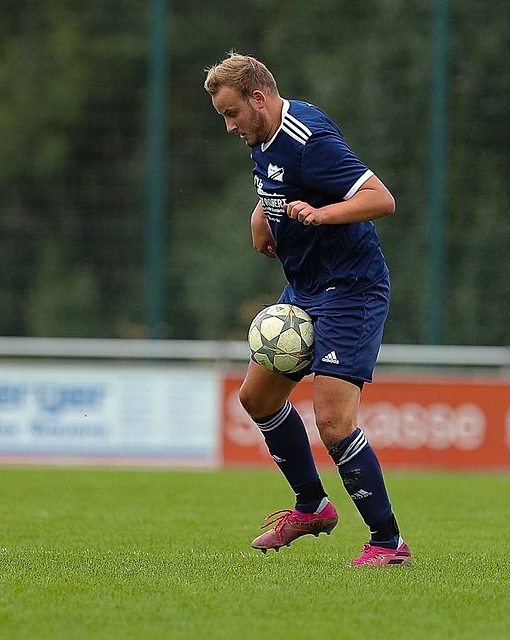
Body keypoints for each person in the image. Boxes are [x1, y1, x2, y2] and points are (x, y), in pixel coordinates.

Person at [204, 51, 410, 567]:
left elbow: (381, 199)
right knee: (257, 399)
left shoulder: (308, 140)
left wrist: (320, 215)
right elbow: (278, 182)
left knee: (335, 425)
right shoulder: (264, 137)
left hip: (351, 290)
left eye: (232, 114)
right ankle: (312, 505)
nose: (229, 127)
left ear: (259, 98)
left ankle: (388, 543)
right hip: (306, 288)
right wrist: (261, 215)